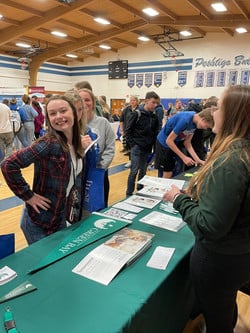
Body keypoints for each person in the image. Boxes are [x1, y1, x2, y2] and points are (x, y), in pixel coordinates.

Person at [163, 84, 250, 333]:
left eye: (219, 107)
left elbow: (210, 226)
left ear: (232, 114)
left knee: (218, 316)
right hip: (239, 254)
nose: (214, 111)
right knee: (223, 306)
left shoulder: (232, 160)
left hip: (219, 259)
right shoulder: (241, 152)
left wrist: (179, 200)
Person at [1, 95, 85, 244]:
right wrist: (28, 196)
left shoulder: (76, 143)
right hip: (39, 222)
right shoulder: (50, 143)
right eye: (52, 113)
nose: (59, 116)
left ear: (74, 112)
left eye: (63, 111)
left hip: (58, 217)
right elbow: (8, 164)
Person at [79, 88, 115, 208]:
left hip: (99, 174)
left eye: (87, 100)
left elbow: (110, 147)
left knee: (99, 206)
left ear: (93, 103)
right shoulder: (73, 124)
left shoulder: (103, 123)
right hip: (79, 175)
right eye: (81, 100)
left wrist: (100, 168)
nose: (84, 103)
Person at [155, 108, 214, 178]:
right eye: (206, 126)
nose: (205, 128)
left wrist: (198, 160)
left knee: (177, 169)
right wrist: (184, 157)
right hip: (164, 143)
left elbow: (187, 143)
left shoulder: (195, 123)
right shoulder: (185, 120)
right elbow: (169, 141)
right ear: (203, 119)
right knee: (168, 173)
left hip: (174, 142)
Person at [125, 91, 160, 196]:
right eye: (153, 102)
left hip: (147, 149)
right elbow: (128, 130)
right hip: (136, 148)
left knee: (143, 172)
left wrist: (154, 148)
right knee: (134, 171)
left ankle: (140, 192)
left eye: (156, 103)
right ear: (146, 101)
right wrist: (133, 145)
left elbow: (155, 133)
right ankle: (129, 194)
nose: (155, 105)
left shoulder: (155, 117)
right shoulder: (137, 114)